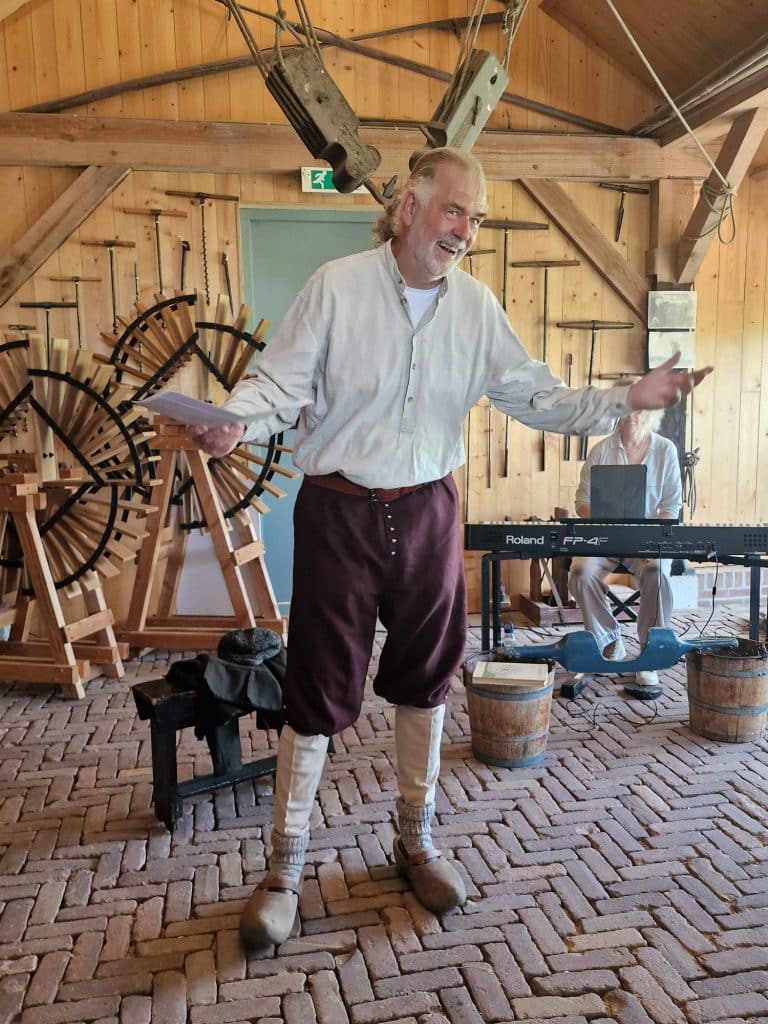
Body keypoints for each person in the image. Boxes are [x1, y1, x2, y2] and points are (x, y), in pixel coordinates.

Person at [191, 147, 711, 948]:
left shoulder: (476, 308)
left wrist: (622, 400)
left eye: (476, 218)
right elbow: (277, 387)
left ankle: (416, 839)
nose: (465, 230)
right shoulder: (335, 287)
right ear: (408, 207)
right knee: (317, 691)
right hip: (336, 512)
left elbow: (537, 397)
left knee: (425, 680)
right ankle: (283, 869)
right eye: (454, 211)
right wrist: (236, 420)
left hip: (430, 510)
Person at [568, 410, 683, 699]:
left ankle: (649, 654)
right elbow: (581, 502)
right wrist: (602, 517)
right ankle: (609, 640)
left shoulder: (665, 450)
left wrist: (654, 532)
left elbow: (672, 504)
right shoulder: (600, 451)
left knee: (657, 574)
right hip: (604, 538)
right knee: (581, 573)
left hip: (646, 541)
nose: (635, 414)